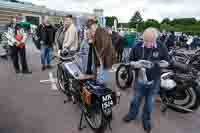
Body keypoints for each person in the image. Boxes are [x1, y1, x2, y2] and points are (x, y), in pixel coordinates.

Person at [123, 28, 170, 133]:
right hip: (139, 80)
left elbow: (168, 62)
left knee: (150, 103)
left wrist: (158, 63)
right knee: (135, 100)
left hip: (154, 81)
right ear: (142, 38)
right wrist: (136, 64)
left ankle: (146, 120)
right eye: (146, 41)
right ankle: (132, 115)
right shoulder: (137, 46)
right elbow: (129, 61)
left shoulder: (161, 46)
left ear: (156, 39)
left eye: (151, 41)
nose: (148, 44)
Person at [86, 19, 117, 90]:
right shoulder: (96, 31)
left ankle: (102, 87)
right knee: (103, 70)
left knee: (104, 71)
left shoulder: (101, 30)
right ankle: (101, 85)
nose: (91, 29)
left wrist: (100, 55)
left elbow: (105, 44)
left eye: (91, 27)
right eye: (90, 28)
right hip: (103, 55)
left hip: (106, 55)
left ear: (94, 25)